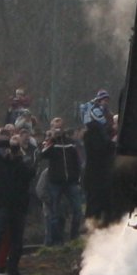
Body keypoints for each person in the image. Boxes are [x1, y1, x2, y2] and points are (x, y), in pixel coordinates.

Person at [0, 124, 35, 275]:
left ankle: (13, 271)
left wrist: (19, 155)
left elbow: (30, 174)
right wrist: (8, 142)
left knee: (16, 241)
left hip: (18, 206)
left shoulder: (23, 162)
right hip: (0, 205)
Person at [40, 117, 83, 244]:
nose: (58, 129)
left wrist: (77, 177)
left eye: (60, 127)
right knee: (54, 212)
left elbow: (77, 160)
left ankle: (74, 237)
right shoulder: (50, 143)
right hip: (55, 181)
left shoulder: (70, 143)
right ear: (52, 128)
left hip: (71, 181)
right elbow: (42, 155)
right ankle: (57, 241)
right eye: (55, 127)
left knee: (78, 210)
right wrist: (52, 139)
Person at [82, 90, 116, 225]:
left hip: (103, 175)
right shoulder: (93, 134)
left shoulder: (100, 130)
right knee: (94, 205)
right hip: (96, 175)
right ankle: (91, 230)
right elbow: (102, 147)